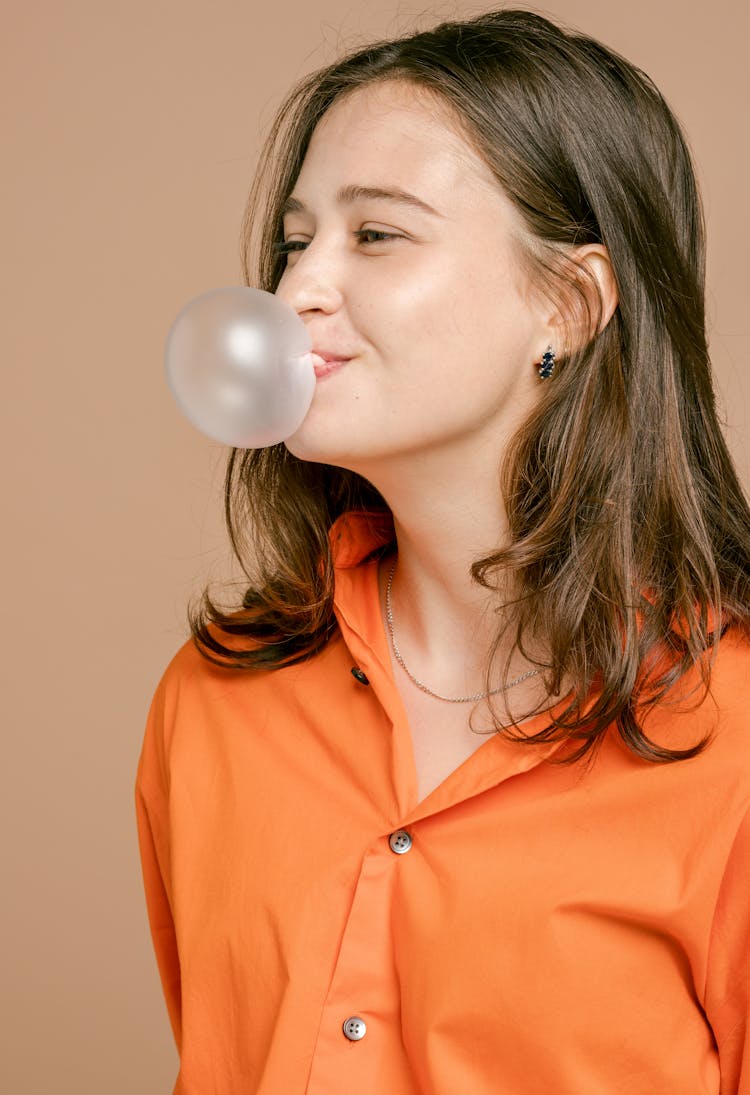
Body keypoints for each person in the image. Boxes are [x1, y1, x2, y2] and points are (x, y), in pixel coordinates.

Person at [135, 7, 750, 1093]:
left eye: (376, 235)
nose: (295, 293)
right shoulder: (214, 699)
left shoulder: (734, 739)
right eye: (295, 239)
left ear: (567, 303)